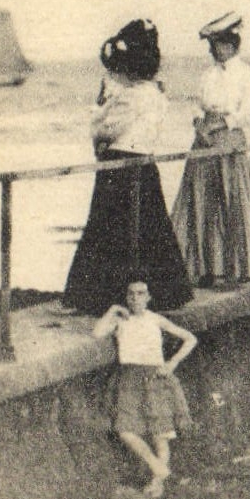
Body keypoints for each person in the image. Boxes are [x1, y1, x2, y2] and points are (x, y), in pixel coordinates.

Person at [64, 20, 193, 315]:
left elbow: (105, 129)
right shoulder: (157, 93)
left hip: (119, 166)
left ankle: (99, 296)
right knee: (150, 228)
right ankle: (162, 293)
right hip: (144, 164)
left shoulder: (129, 97)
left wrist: (99, 108)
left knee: (106, 229)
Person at [171, 12, 250, 286]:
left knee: (229, 201)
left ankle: (236, 266)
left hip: (229, 138)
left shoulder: (249, 75)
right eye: (212, 45)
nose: (213, 50)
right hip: (204, 141)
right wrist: (199, 122)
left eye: (217, 44)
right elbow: (198, 104)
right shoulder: (207, 75)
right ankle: (205, 267)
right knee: (200, 200)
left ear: (232, 45)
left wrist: (222, 124)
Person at [94, 277, 197, 497]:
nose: (135, 298)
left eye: (141, 293)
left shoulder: (155, 319)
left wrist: (172, 363)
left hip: (155, 376)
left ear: (148, 297)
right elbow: (97, 332)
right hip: (129, 377)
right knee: (125, 430)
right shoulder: (120, 321)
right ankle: (157, 467)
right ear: (126, 298)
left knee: (160, 434)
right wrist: (112, 310)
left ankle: (157, 484)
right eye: (131, 294)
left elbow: (190, 339)